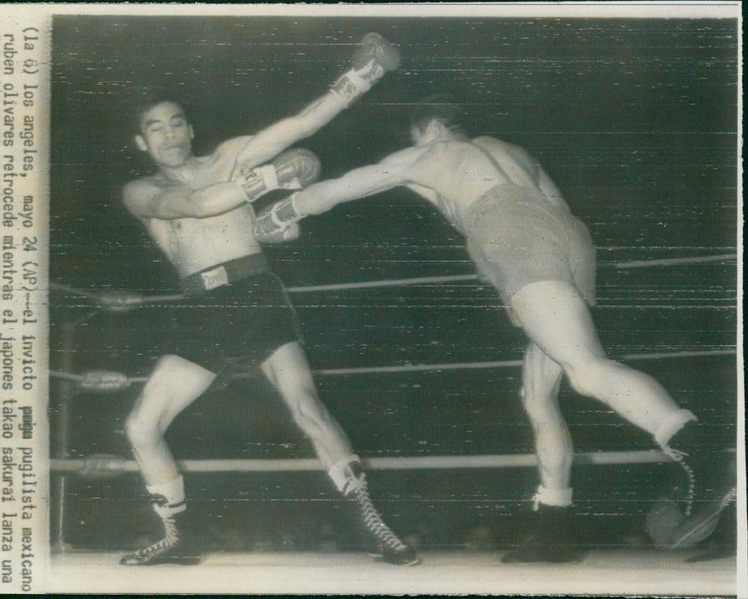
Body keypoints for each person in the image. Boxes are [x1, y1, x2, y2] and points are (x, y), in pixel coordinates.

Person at [254, 97, 737, 562]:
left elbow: (343, 187)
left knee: (586, 372)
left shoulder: (432, 152)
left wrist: (282, 213)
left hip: (512, 237)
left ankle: (706, 454)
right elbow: (554, 208)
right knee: (537, 395)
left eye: (417, 134)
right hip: (567, 238)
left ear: (432, 129)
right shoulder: (512, 153)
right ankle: (554, 524)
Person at [118, 33, 419, 566]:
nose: (167, 133)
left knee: (307, 407)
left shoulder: (232, 156)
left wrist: (360, 77)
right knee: (142, 425)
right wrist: (273, 178)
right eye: (153, 127)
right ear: (142, 142)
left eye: (174, 121)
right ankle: (177, 533)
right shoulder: (138, 191)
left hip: (254, 295)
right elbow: (195, 202)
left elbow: (299, 125)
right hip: (198, 312)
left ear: (190, 128)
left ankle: (374, 523)